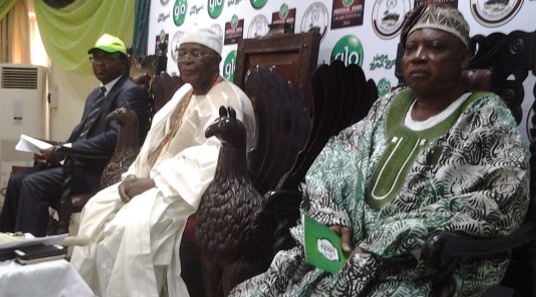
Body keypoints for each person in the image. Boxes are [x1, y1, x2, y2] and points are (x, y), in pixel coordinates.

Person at [229, 4, 529, 297]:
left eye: (436, 47)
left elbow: (497, 200)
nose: (419, 57)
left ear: (463, 59)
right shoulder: (388, 107)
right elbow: (334, 162)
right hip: (345, 249)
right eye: (411, 48)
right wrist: (332, 217)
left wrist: (389, 238)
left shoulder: (485, 116)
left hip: (418, 264)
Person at [70, 27, 256, 297]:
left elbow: (214, 159)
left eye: (196, 54)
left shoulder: (228, 99)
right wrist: (133, 176)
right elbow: (155, 142)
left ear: (216, 60)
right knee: (95, 210)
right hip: (155, 179)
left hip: (186, 190)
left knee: (126, 227)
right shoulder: (184, 93)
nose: (187, 60)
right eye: (182, 54)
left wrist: (153, 183)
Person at [0, 33, 149, 237]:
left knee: (32, 183)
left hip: (98, 171)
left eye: (107, 58)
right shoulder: (95, 95)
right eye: (95, 58)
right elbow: (81, 135)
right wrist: (51, 151)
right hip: (77, 165)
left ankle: (31, 249)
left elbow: (115, 139)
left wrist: (64, 151)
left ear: (123, 63)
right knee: (18, 180)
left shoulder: (129, 92)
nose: (99, 64)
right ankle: (7, 245)